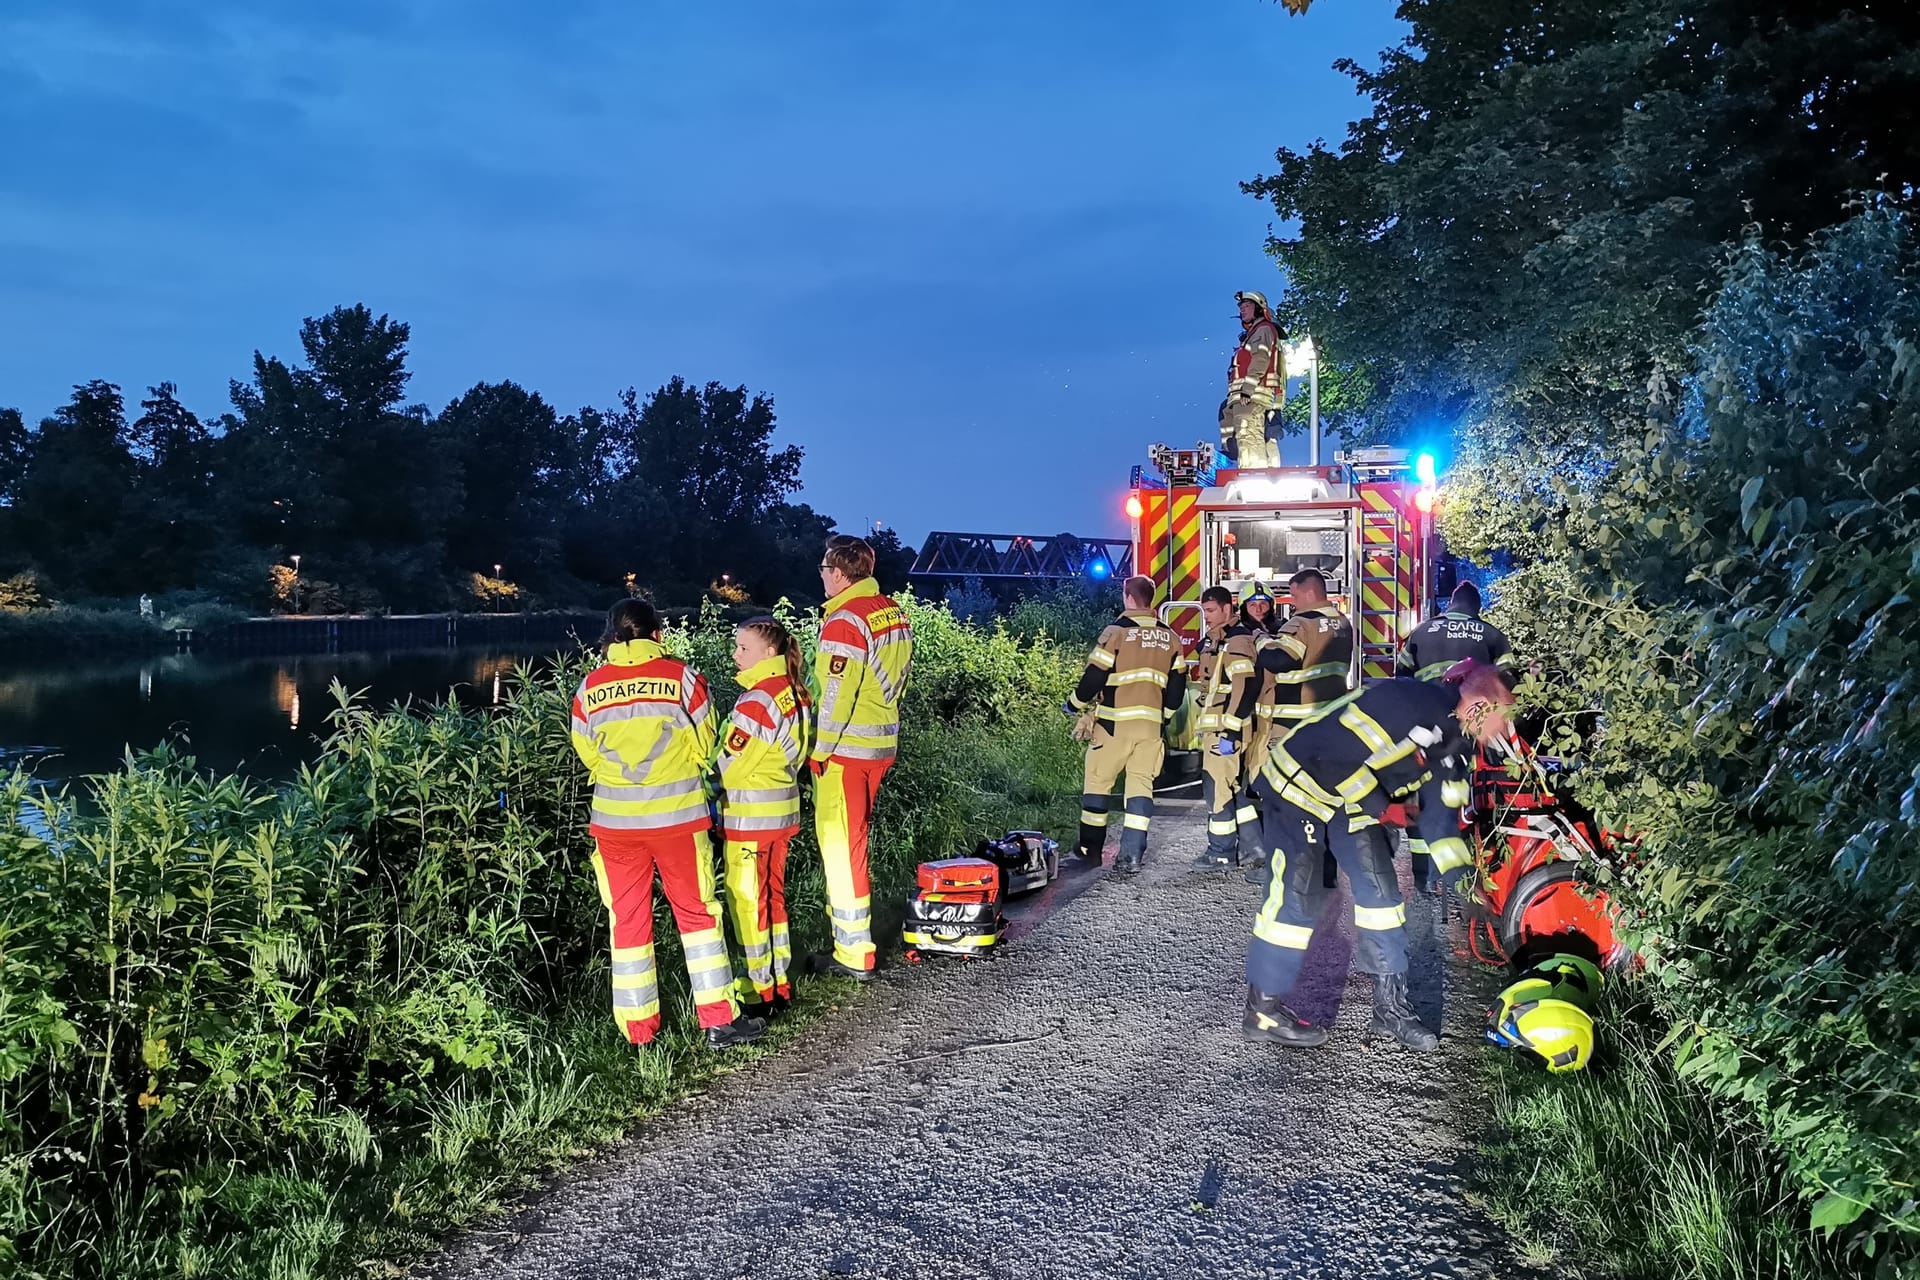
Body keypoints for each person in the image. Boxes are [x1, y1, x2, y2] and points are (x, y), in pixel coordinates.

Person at [1241, 662, 1515, 1051]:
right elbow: (1331, 755)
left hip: (1349, 802)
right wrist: (1383, 807)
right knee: (1298, 900)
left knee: (1383, 899)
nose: (1502, 733)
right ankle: (1263, 1011)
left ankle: (1391, 1010)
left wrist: (1467, 887)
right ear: (1478, 708)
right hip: (1299, 786)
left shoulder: (1454, 747)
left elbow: (1441, 827)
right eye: (1501, 722)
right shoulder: (1406, 701)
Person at [570, 598, 766, 1050]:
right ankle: (719, 1021)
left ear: (611, 636)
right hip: (677, 820)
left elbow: (590, 756)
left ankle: (640, 1033)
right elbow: (704, 746)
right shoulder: (683, 679)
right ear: (657, 634)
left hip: (616, 826)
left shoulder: (589, 689)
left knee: (628, 923)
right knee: (698, 916)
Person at [811, 535, 915, 980]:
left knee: (842, 850)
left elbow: (835, 698)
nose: (821, 576)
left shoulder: (844, 623)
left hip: (846, 752)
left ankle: (854, 954)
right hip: (880, 743)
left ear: (836, 572)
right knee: (853, 843)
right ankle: (853, 946)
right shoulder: (892, 611)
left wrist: (818, 751)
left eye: (823, 569)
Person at [717, 616, 811, 1017]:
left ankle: (760, 992)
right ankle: (780, 981)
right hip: (782, 811)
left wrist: (705, 782)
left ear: (768, 652)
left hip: (750, 818)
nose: (735, 655)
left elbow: (730, 766)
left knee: (748, 904)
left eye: (743, 648)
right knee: (772, 899)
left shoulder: (757, 700)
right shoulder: (794, 691)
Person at [1062, 574, 1187, 873]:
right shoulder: (1170, 637)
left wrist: (1074, 705)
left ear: (1128, 597)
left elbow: (1095, 675)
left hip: (1114, 725)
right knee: (1141, 788)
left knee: (1098, 784)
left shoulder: (1116, 632)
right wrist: (1164, 718)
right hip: (1150, 729)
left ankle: (1089, 851)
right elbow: (1177, 686)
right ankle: (1131, 856)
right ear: (1151, 598)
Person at [1244, 569, 1356, 888]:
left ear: (1306, 593)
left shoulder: (1300, 623)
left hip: (1295, 728)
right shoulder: (1342, 622)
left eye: (1292, 595)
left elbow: (1281, 661)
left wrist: (1262, 638)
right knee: (1326, 800)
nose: (1291, 602)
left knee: (1285, 801)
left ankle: (1286, 870)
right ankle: (1326, 871)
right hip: (1330, 726)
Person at [1191, 585, 1260, 869]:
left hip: (1225, 729)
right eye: (1204, 611)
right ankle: (1254, 848)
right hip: (1219, 726)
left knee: (1217, 788)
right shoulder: (1216, 639)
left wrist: (1230, 731)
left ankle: (1220, 852)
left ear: (1227, 608)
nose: (1206, 616)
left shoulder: (1237, 640)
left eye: (1210, 611)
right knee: (1232, 788)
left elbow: (1245, 685)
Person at [1395, 581, 1515, 682]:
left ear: (1450, 604)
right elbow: (1508, 678)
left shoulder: (1420, 631)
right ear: (1477, 607)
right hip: (1472, 707)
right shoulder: (1492, 634)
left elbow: (1401, 675)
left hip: (1427, 705)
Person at [1221, 290, 1285, 469]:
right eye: (1241, 307)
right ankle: (1264, 471)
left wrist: (1247, 390)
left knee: (1248, 435)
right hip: (1248, 396)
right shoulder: (1256, 333)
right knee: (1252, 436)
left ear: (1259, 309)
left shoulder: (1263, 330)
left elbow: (1260, 359)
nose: (1242, 310)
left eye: (1247, 306)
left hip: (1252, 395)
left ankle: (1254, 474)